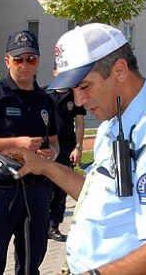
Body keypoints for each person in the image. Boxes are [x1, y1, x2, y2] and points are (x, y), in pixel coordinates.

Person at [4, 23, 146, 275]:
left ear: (120, 70)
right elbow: (99, 197)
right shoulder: (114, 122)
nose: (78, 100)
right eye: (73, 90)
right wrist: (45, 166)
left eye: (85, 86)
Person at [0, 30, 59, 275]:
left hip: (36, 191)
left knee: (31, 265)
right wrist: (15, 143)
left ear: (39, 60)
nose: (25, 65)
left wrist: (52, 154)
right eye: (18, 59)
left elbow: (55, 143)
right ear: (7, 61)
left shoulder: (45, 100)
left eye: (31, 59)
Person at [45, 62, 86, 242]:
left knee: (61, 189)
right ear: (54, 72)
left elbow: (80, 122)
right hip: (47, 148)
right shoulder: (45, 94)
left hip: (67, 147)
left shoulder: (74, 96)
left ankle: (54, 226)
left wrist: (78, 146)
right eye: (59, 70)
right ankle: (41, 225)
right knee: (45, 188)